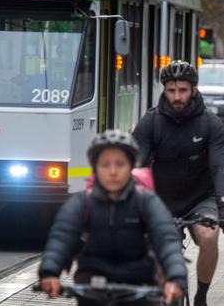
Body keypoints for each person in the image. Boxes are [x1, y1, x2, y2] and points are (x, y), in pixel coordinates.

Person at [133, 61, 224, 306]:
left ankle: (201, 295)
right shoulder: (151, 122)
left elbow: (219, 166)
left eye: (182, 90)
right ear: (164, 90)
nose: (177, 97)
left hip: (200, 198)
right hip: (161, 198)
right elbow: (135, 164)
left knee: (210, 236)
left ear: (193, 89)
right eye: (171, 91)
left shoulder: (210, 123)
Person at [38, 131, 187, 306]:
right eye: (105, 165)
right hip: (93, 283)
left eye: (120, 164)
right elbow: (62, 237)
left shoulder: (146, 201)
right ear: (95, 168)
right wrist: (49, 272)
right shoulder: (83, 202)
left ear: (131, 166)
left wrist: (176, 277)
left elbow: (166, 239)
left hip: (139, 284)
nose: (113, 172)